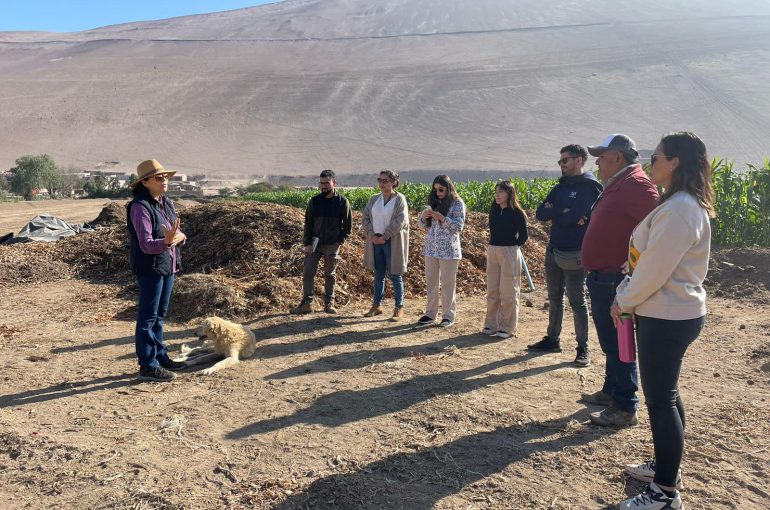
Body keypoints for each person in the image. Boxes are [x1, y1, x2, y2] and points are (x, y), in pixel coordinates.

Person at [612, 132, 714, 510]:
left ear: (674, 162)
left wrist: (623, 300)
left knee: (660, 400)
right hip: (668, 311)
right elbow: (652, 258)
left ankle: (665, 493)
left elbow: (655, 270)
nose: (649, 163)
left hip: (666, 314)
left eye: (655, 157)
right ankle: (665, 469)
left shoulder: (681, 209)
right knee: (666, 395)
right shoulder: (679, 204)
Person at [580, 134, 659, 427]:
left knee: (620, 341)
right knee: (610, 341)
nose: (597, 161)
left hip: (616, 279)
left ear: (619, 157)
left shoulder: (636, 185)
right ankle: (611, 391)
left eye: (602, 156)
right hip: (603, 277)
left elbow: (658, 223)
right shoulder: (619, 184)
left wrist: (639, 257)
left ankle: (626, 405)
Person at [529, 144, 603, 366]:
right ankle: (553, 339)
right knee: (554, 298)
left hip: (575, 252)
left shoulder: (590, 187)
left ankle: (583, 348)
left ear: (579, 160)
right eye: (560, 161)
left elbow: (579, 215)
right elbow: (542, 213)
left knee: (577, 300)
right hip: (554, 249)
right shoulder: (561, 187)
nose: (561, 164)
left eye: (565, 160)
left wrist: (560, 212)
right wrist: (566, 212)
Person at [127, 159, 187, 382]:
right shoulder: (139, 207)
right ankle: (148, 365)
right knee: (148, 318)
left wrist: (178, 238)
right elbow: (146, 243)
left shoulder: (166, 203)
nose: (164, 181)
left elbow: (177, 233)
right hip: (150, 268)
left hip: (167, 266)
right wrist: (167, 241)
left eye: (166, 177)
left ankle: (161, 357)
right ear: (145, 182)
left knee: (160, 316)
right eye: (159, 178)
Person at [290, 169, 352, 314]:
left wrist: (339, 242)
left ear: (334, 183)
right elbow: (308, 223)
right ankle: (307, 303)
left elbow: (348, 226)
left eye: (326, 183)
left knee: (330, 274)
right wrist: (307, 243)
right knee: (308, 272)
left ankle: (329, 304)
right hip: (314, 244)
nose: (323, 186)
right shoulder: (315, 201)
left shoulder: (342, 202)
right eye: (321, 183)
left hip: (332, 244)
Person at [417, 175, 466, 327]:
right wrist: (424, 218)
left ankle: (448, 316)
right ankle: (430, 314)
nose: (438, 192)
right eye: (435, 189)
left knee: (447, 284)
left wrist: (443, 218)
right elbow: (420, 225)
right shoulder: (433, 202)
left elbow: (458, 227)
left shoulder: (457, 204)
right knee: (431, 283)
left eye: (441, 189)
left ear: (449, 188)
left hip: (448, 251)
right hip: (431, 249)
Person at [362, 170, 410, 320]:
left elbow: (400, 220)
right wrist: (372, 235)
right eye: (380, 180)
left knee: (395, 275)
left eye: (385, 181)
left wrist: (385, 236)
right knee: (379, 274)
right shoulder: (374, 199)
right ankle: (377, 305)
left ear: (394, 182)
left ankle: (399, 308)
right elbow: (365, 218)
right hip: (376, 242)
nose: (382, 183)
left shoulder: (399, 199)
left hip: (392, 242)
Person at [483, 181, 528, 338]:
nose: (497, 194)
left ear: (509, 193)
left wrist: (512, 246)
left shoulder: (517, 212)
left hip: (509, 251)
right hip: (493, 250)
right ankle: (491, 324)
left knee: (508, 290)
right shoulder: (494, 210)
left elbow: (523, 235)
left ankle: (508, 327)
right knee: (492, 290)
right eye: (496, 191)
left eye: (501, 191)